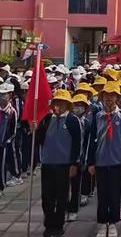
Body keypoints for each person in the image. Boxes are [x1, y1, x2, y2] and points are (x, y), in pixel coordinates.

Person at [87, 81, 121, 237]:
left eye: (113, 95)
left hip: (117, 161)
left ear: (117, 98)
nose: (109, 98)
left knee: (114, 194)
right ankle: (102, 223)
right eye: (107, 95)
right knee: (102, 194)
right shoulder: (97, 116)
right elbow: (91, 140)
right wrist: (90, 162)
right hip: (100, 161)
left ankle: (112, 223)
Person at [37, 89, 81, 237]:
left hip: (64, 165)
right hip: (48, 164)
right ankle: (49, 225)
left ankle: (59, 224)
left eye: (62, 103)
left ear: (67, 105)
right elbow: (40, 140)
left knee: (61, 197)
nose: (58, 106)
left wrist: (74, 163)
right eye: (56, 102)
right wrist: (35, 128)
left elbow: (77, 143)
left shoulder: (72, 120)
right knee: (47, 197)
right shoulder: (48, 119)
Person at [66, 93, 91, 222]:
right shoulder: (68, 121)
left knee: (76, 186)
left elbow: (88, 142)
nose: (78, 108)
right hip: (67, 158)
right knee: (64, 187)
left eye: (81, 105)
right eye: (76, 105)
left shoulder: (87, 123)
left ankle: (73, 210)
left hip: (80, 158)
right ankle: (64, 208)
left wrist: (85, 158)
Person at [0, 83, 18, 196]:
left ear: (10, 95)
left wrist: (7, 141)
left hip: (3, 144)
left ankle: (1, 187)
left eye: (4, 94)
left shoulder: (12, 112)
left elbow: (13, 131)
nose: (2, 97)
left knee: (1, 165)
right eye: (0, 94)